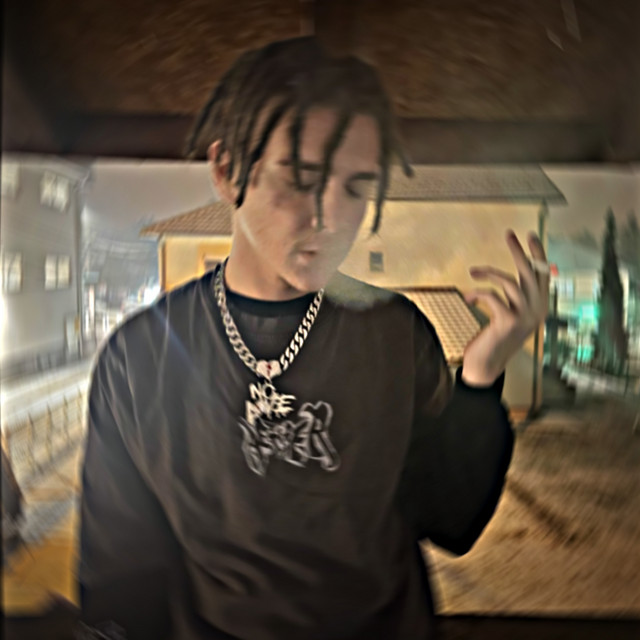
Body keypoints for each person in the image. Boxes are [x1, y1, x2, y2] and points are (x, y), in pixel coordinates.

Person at [79, 37, 549, 640]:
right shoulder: (141, 356)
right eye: (302, 179)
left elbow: (451, 521)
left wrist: (481, 377)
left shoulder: (394, 332)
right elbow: (119, 580)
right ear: (226, 170)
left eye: (356, 188)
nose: (331, 217)